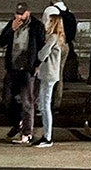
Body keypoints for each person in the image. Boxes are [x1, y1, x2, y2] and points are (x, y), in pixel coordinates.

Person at [0, 2, 44, 144]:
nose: (19, 16)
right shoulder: (12, 24)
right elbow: (1, 41)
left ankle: (27, 132)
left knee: (27, 101)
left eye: (22, 13)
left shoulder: (36, 26)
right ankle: (17, 122)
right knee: (7, 99)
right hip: (12, 67)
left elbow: (41, 45)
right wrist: (11, 29)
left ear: (28, 13)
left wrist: (37, 64)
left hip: (27, 68)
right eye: (17, 13)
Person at [33, 13, 66, 148]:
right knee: (44, 103)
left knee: (45, 105)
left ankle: (47, 136)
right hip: (51, 73)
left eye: (49, 21)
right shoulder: (59, 38)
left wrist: (37, 53)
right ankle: (46, 135)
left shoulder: (52, 38)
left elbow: (42, 54)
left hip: (48, 74)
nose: (46, 23)